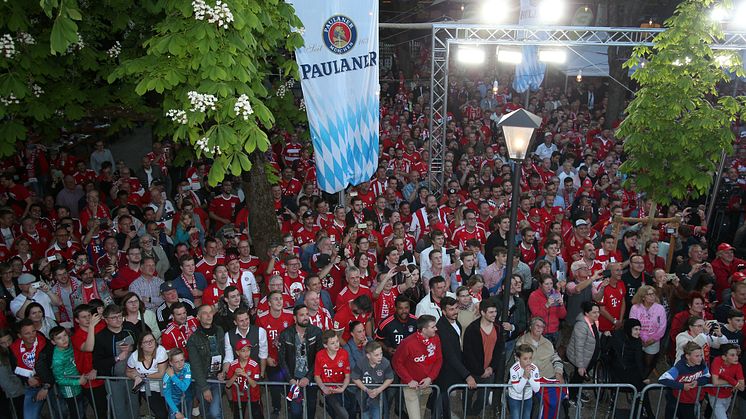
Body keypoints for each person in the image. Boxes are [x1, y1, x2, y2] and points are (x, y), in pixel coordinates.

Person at [92, 304, 140, 419]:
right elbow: (97, 363)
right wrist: (117, 358)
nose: (118, 320)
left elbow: (142, 343)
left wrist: (131, 348)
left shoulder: (130, 327)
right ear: (105, 319)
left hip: (134, 376)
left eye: (120, 316)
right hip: (114, 379)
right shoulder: (101, 337)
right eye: (113, 317)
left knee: (135, 406)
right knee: (119, 408)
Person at [392, 314, 441, 419]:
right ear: (424, 329)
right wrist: (408, 380)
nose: (436, 329)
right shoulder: (408, 343)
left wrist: (430, 378)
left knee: (421, 413)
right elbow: (397, 362)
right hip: (411, 387)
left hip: (427, 385)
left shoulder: (436, 339)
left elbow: (439, 359)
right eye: (433, 327)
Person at [515, 317, 566, 419]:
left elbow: (556, 358)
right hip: (531, 378)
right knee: (538, 402)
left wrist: (559, 373)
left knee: (558, 399)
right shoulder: (522, 342)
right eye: (537, 325)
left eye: (542, 327)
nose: (540, 328)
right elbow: (519, 362)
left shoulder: (548, 343)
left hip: (549, 377)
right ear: (530, 327)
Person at [278, 304, 323, 419]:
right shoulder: (285, 334)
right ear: (294, 318)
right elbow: (282, 360)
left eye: (307, 314)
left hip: (311, 378)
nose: (305, 317)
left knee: (311, 408)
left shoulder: (316, 332)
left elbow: (319, 358)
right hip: (293, 379)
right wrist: (290, 379)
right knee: (295, 411)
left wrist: (308, 377)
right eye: (302, 315)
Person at [435, 296, 476, 416]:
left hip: (455, 370)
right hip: (445, 373)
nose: (455, 312)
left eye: (456, 308)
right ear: (443, 311)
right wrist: (467, 375)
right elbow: (450, 355)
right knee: (443, 408)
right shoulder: (441, 328)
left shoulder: (455, 322)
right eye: (451, 309)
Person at [463, 299, 504, 416]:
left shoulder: (498, 327)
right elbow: (468, 353)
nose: (494, 315)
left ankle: (473, 415)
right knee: (467, 398)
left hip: (489, 372)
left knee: (483, 400)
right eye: (491, 312)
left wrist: (491, 368)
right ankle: (467, 415)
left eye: (495, 312)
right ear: (482, 312)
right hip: (472, 372)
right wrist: (480, 371)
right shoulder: (472, 329)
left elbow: (499, 350)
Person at [186, 304, 225, 419]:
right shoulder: (193, 339)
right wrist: (204, 388)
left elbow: (225, 352)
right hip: (203, 379)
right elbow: (195, 365)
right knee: (206, 412)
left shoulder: (220, 331)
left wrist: (224, 371)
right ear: (198, 317)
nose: (209, 316)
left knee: (215, 411)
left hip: (217, 377)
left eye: (210, 312)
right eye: (204, 313)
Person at [10, 318, 54, 419]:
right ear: (20, 336)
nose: (32, 335)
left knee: (61, 412)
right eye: (27, 333)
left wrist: (46, 386)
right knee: (29, 417)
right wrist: (27, 379)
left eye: (33, 331)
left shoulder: (45, 344)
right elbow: (15, 368)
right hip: (32, 387)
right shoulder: (14, 349)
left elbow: (53, 367)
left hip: (52, 384)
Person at [609, 318, 652, 417]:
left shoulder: (620, 336)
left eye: (639, 329)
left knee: (641, 387)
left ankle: (641, 412)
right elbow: (638, 361)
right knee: (642, 387)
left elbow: (638, 362)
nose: (638, 332)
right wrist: (644, 377)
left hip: (626, 370)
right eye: (636, 329)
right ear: (629, 329)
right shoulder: (625, 339)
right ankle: (644, 413)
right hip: (620, 372)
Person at [659, 341, 710, 419]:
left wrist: (697, 382)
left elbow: (707, 377)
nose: (700, 358)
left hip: (697, 398)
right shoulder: (679, 367)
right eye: (697, 356)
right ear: (687, 356)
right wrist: (682, 386)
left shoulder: (702, 364)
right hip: (683, 401)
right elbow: (663, 379)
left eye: (701, 355)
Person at [126, 332, 168, 419]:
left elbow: (161, 374)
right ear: (141, 345)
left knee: (170, 411)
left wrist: (142, 376)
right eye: (146, 342)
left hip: (165, 386)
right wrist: (136, 377)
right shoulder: (135, 356)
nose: (150, 343)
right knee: (161, 414)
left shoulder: (160, 350)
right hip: (148, 388)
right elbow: (128, 371)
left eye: (152, 340)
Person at [567, 301, 601, 404]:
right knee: (577, 378)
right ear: (587, 313)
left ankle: (577, 391)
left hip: (588, 356)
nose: (597, 314)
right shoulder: (581, 326)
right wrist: (581, 366)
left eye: (598, 312)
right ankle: (571, 396)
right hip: (581, 358)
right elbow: (579, 347)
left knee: (579, 378)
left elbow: (594, 335)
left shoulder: (593, 321)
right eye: (594, 312)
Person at [629, 285, 667, 377]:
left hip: (654, 340)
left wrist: (652, 339)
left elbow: (662, 326)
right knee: (636, 361)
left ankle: (644, 378)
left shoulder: (660, 308)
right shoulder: (635, 308)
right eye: (649, 294)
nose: (652, 296)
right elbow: (633, 324)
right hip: (638, 339)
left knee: (648, 364)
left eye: (653, 294)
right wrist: (643, 338)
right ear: (643, 297)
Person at [351, 341, 394, 419]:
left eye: (381, 353)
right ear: (368, 355)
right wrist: (366, 389)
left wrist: (379, 390)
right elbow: (354, 378)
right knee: (365, 415)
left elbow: (390, 378)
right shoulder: (361, 362)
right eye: (376, 355)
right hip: (362, 394)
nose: (380, 357)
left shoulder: (385, 362)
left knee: (377, 415)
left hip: (378, 394)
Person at [314, 329, 351, 419]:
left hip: (341, 389)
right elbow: (317, 376)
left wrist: (342, 388)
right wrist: (323, 388)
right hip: (328, 391)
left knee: (349, 411)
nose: (336, 345)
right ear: (325, 345)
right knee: (343, 415)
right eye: (332, 343)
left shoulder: (344, 353)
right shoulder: (320, 355)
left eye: (337, 341)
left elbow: (347, 375)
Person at [225, 338, 263, 419]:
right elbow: (228, 385)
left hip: (253, 396)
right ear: (237, 352)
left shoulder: (254, 365)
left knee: (257, 415)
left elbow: (254, 384)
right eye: (243, 351)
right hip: (238, 398)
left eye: (248, 350)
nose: (246, 353)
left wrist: (245, 375)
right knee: (238, 416)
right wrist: (235, 375)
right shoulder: (233, 365)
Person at [708, 344, 745, 419]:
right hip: (715, 395)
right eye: (732, 355)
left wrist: (729, 380)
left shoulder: (738, 365)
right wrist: (731, 381)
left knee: (716, 417)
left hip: (728, 396)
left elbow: (742, 387)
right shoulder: (717, 360)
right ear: (724, 357)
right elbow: (715, 382)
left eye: (736, 355)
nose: (736, 357)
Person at [507, 344, 541, 419]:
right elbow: (518, 390)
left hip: (528, 397)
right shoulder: (514, 369)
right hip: (515, 397)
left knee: (526, 417)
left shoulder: (534, 368)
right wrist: (525, 376)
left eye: (530, 358)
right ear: (518, 359)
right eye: (525, 359)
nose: (528, 361)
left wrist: (529, 377)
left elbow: (536, 389)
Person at [594, 262, 626, 333]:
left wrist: (620, 320)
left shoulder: (621, 283)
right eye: (617, 270)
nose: (620, 272)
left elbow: (623, 302)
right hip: (604, 327)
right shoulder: (603, 287)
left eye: (621, 270)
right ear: (609, 272)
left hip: (617, 325)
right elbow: (601, 309)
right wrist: (614, 321)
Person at [162, 348, 193, 419]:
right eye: (176, 362)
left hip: (187, 397)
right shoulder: (166, 376)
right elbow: (167, 395)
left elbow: (184, 387)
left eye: (182, 360)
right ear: (171, 363)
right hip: (174, 400)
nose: (180, 364)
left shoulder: (187, 367)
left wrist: (173, 376)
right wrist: (176, 411)